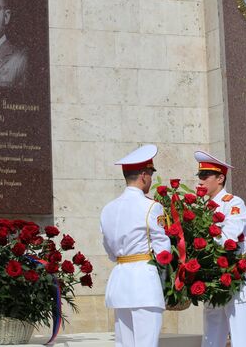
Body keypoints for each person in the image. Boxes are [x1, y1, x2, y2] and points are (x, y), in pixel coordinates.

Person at [100, 144, 171, 347]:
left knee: (124, 344)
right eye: (149, 173)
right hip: (144, 283)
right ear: (143, 176)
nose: (150, 178)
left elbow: (110, 251)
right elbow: (162, 248)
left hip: (120, 281)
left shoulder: (108, 209)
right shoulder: (151, 206)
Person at [195, 150, 246, 347]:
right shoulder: (204, 207)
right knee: (211, 337)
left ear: (220, 178)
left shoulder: (234, 203)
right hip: (212, 277)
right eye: (199, 176)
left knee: (240, 339)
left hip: (235, 275)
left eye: (205, 176)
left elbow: (228, 236)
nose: (201, 181)